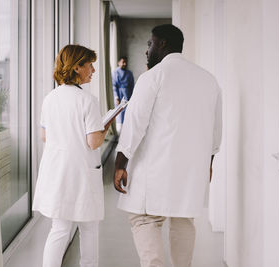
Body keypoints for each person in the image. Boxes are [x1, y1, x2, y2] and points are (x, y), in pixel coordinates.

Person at [113, 24, 222, 267]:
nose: (147, 50)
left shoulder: (153, 77)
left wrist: (121, 163)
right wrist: (209, 164)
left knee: (144, 219)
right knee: (183, 219)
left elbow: (134, 124)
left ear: (162, 44)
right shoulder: (209, 80)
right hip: (192, 169)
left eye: (150, 44)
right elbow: (216, 131)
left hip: (156, 168)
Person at [32, 44, 114, 267]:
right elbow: (93, 142)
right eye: (90, 66)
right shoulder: (88, 101)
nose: (93, 71)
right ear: (77, 67)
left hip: (57, 170)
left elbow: (44, 136)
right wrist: (105, 126)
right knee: (88, 227)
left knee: (59, 229)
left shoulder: (50, 98)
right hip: (81, 172)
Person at [112, 56, 135, 126]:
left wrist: (132, 97)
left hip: (128, 94)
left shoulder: (129, 73)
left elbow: (132, 86)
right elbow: (114, 85)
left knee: (127, 111)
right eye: (123, 62)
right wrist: (116, 97)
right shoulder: (115, 72)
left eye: (125, 62)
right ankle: (119, 127)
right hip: (119, 94)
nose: (124, 64)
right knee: (119, 111)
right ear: (118, 63)